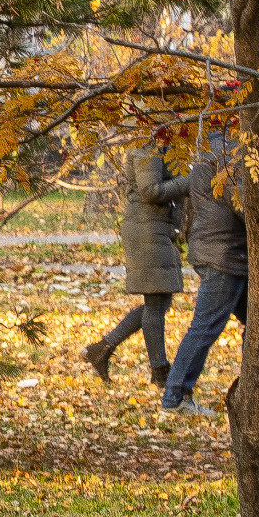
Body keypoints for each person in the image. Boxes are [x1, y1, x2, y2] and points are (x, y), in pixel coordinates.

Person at [83, 145, 190, 386]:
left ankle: (101, 349)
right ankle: (160, 373)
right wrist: (189, 181)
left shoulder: (162, 144)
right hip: (145, 230)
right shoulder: (145, 147)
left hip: (156, 227)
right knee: (155, 302)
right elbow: (150, 190)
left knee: (160, 302)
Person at [162, 130, 250, 413]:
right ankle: (174, 397)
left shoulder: (207, 146)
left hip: (222, 247)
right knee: (204, 328)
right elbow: (242, 202)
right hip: (223, 251)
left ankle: (256, 391)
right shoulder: (228, 150)